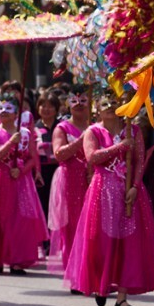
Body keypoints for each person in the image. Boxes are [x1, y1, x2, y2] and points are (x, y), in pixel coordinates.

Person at [65, 91, 154, 306]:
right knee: (101, 242)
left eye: (114, 102)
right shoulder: (93, 131)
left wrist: (135, 186)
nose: (109, 106)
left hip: (129, 194)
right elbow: (92, 157)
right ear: (97, 108)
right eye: (105, 103)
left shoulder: (133, 130)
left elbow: (139, 161)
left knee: (129, 244)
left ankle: (122, 297)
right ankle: (101, 285)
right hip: (102, 193)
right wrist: (120, 147)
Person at [0, 94, 48, 275]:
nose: (3, 112)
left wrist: (22, 170)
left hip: (20, 180)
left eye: (8, 109)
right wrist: (11, 142)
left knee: (20, 219)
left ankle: (17, 260)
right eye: (0, 108)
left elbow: (32, 158)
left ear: (17, 113)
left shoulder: (26, 133)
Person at [48, 90, 91, 278]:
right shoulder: (62, 128)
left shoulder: (97, 126)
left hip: (93, 180)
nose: (79, 104)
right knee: (72, 227)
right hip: (70, 180)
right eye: (74, 100)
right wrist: (82, 140)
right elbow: (59, 154)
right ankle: (74, 274)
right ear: (67, 105)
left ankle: (90, 273)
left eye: (83, 100)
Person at [34, 92, 60, 221]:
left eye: (50, 106)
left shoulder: (62, 126)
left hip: (59, 170)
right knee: (42, 203)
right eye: (43, 106)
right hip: (41, 171)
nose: (46, 109)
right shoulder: (34, 128)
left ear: (56, 109)